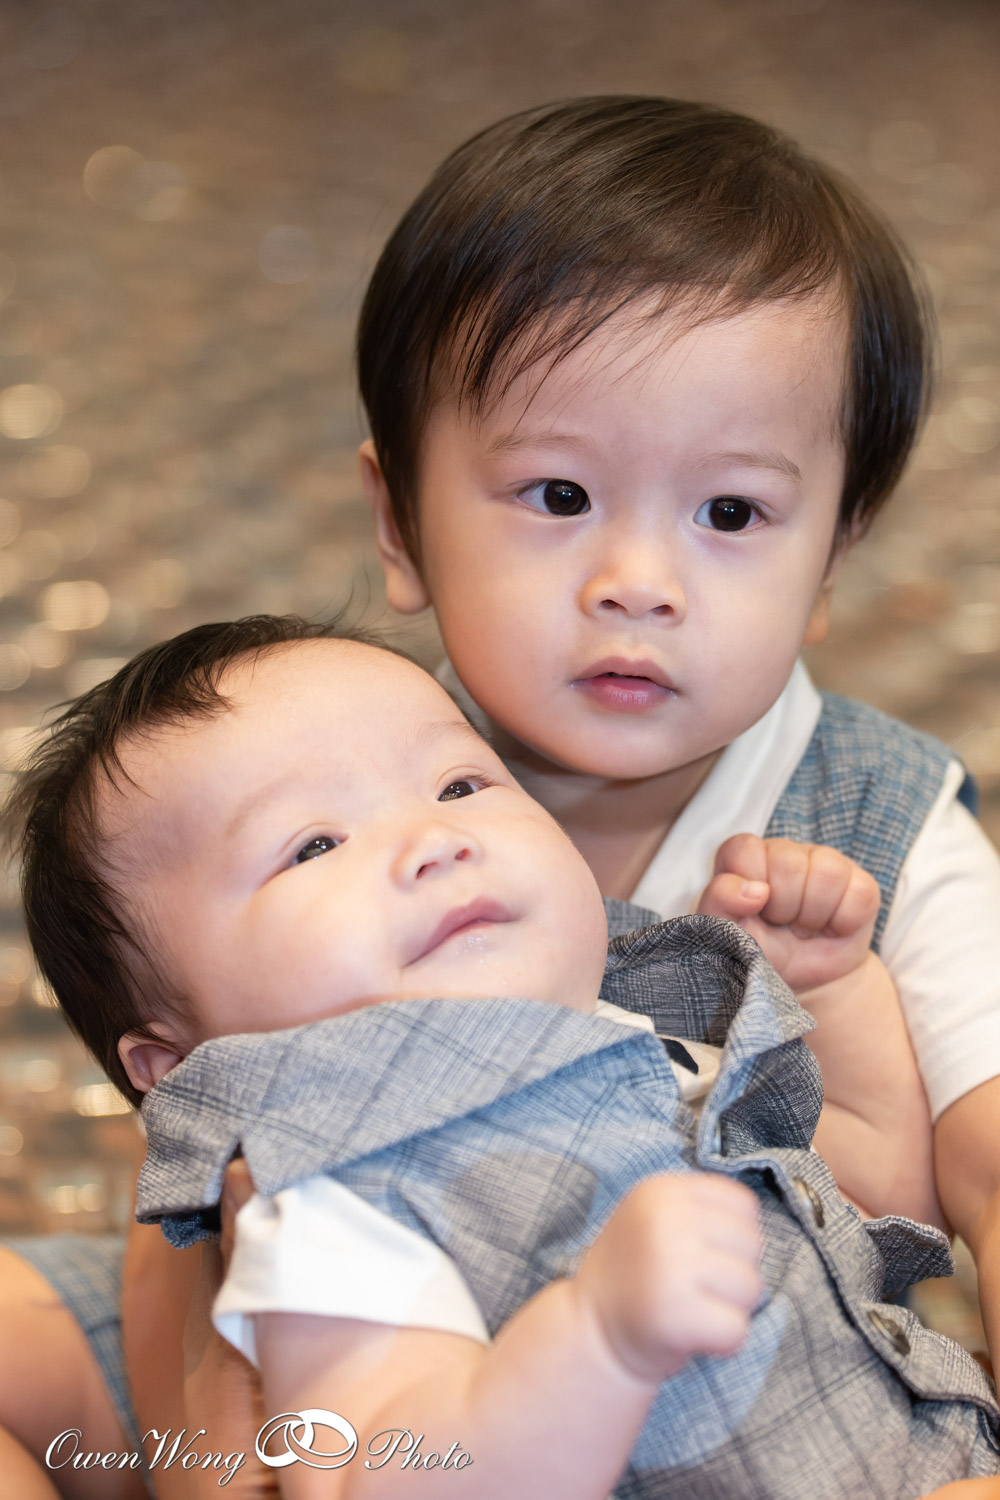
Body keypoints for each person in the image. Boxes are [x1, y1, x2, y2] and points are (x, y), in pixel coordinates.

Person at [4, 616, 998, 1499]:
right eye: (313, 846)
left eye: (461, 784)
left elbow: (878, 1201)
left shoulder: (638, 1033)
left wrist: (830, 988)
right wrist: (595, 1342)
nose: (434, 838)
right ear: (181, 1067)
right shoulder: (342, 1194)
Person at [354, 94, 1000, 1353]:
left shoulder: (885, 827)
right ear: (400, 521)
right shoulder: (322, 793)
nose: (639, 581)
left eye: (730, 514)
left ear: (830, 562)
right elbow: (211, 1131)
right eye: (558, 494)